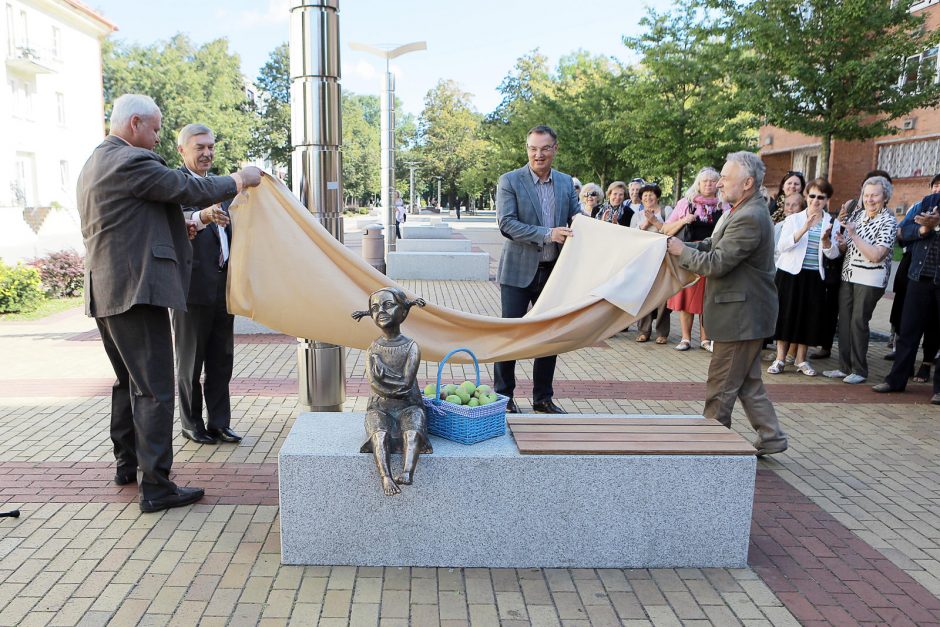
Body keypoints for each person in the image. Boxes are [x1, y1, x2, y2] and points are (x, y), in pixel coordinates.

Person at [77, 94, 263, 513]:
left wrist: (184, 226)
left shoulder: (96, 161)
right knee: (156, 390)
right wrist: (239, 179)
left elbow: (129, 222)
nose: (158, 137)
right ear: (136, 123)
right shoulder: (131, 160)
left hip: (108, 291)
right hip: (137, 292)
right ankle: (157, 486)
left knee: (128, 383)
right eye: (157, 129)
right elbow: (186, 188)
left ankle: (128, 466)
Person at [666, 151, 788, 457]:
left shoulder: (750, 216)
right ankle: (771, 437)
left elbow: (717, 263)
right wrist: (680, 246)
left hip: (741, 316)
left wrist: (681, 251)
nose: (719, 183)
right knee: (748, 383)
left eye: (725, 177)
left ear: (747, 183)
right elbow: (711, 246)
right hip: (742, 314)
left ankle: (712, 445)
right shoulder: (739, 209)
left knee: (721, 385)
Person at [495, 125, 581, 414]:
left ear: (555, 149)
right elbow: (506, 224)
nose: (538, 154)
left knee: (549, 336)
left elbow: (576, 219)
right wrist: (547, 234)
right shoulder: (510, 181)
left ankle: (543, 398)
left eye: (544, 148)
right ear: (527, 149)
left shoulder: (566, 183)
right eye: (533, 148)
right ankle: (503, 397)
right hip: (518, 271)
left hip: (554, 272)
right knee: (511, 335)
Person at [171, 124, 243, 446]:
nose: (207, 153)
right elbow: (183, 219)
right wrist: (203, 215)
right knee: (190, 362)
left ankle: (219, 423)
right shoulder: (174, 185)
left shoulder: (220, 188)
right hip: (191, 292)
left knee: (220, 360)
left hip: (222, 290)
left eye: (211, 146)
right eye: (199, 147)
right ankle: (190, 424)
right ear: (182, 151)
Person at [352, 287, 431, 495]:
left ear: (403, 312)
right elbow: (374, 385)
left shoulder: (412, 347)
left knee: (413, 427)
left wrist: (386, 380)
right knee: (379, 434)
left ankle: (407, 472)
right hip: (380, 408)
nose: (381, 312)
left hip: (408, 406)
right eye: (375, 308)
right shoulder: (372, 349)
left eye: (388, 305)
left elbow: (406, 384)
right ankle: (386, 477)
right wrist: (393, 385)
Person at [822, 176, 898, 384]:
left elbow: (876, 255)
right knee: (844, 321)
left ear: (885, 197)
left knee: (858, 322)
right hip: (849, 275)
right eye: (866, 195)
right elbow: (848, 247)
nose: (870, 199)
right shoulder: (858, 214)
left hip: (871, 279)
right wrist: (840, 241)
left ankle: (860, 370)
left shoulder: (889, 221)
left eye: (875, 195)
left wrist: (854, 236)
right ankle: (844, 367)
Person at [873, 190, 940, 402]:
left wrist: (937, 225)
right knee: (907, 331)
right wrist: (923, 228)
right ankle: (896, 380)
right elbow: (902, 231)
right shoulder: (928, 202)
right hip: (918, 277)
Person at [767, 178, 834, 377]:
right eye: (812, 196)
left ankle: (801, 360)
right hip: (790, 274)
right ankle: (780, 359)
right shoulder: (794, 219)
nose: (816, 201)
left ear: (827, 199)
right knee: (785, 315)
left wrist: (827, 241)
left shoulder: (831, 222)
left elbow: (833, 254)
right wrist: (804, 228)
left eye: (821, 197)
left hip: (814, 276)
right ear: (806, 197)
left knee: (808, 317)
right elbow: (782, 246)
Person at [662, 167, 726, 352]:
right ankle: (685, 338)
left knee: (708, 297)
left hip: (712, 255)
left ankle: (706, 340)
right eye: (704, 181)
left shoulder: (723, 205)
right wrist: (683, 220)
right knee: (687, 298)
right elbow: (666, 229)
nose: (708, 184)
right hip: (688, 253)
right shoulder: (686, 203)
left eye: (712, 181)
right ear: (698, 184)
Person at [631, 182, 672, 344]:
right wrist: (646, 223)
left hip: (663, 259)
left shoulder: (666, 211)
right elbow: (632, 236)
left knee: (663, 297)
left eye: (651, 194)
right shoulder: (638, 215)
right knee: (644, 296)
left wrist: (654, 220)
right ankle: (643, 330)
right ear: (641, 199)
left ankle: (662, 332)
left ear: (657, 196)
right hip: (644, 261)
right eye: (645, 195)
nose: (648, 198)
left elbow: (670, 230)